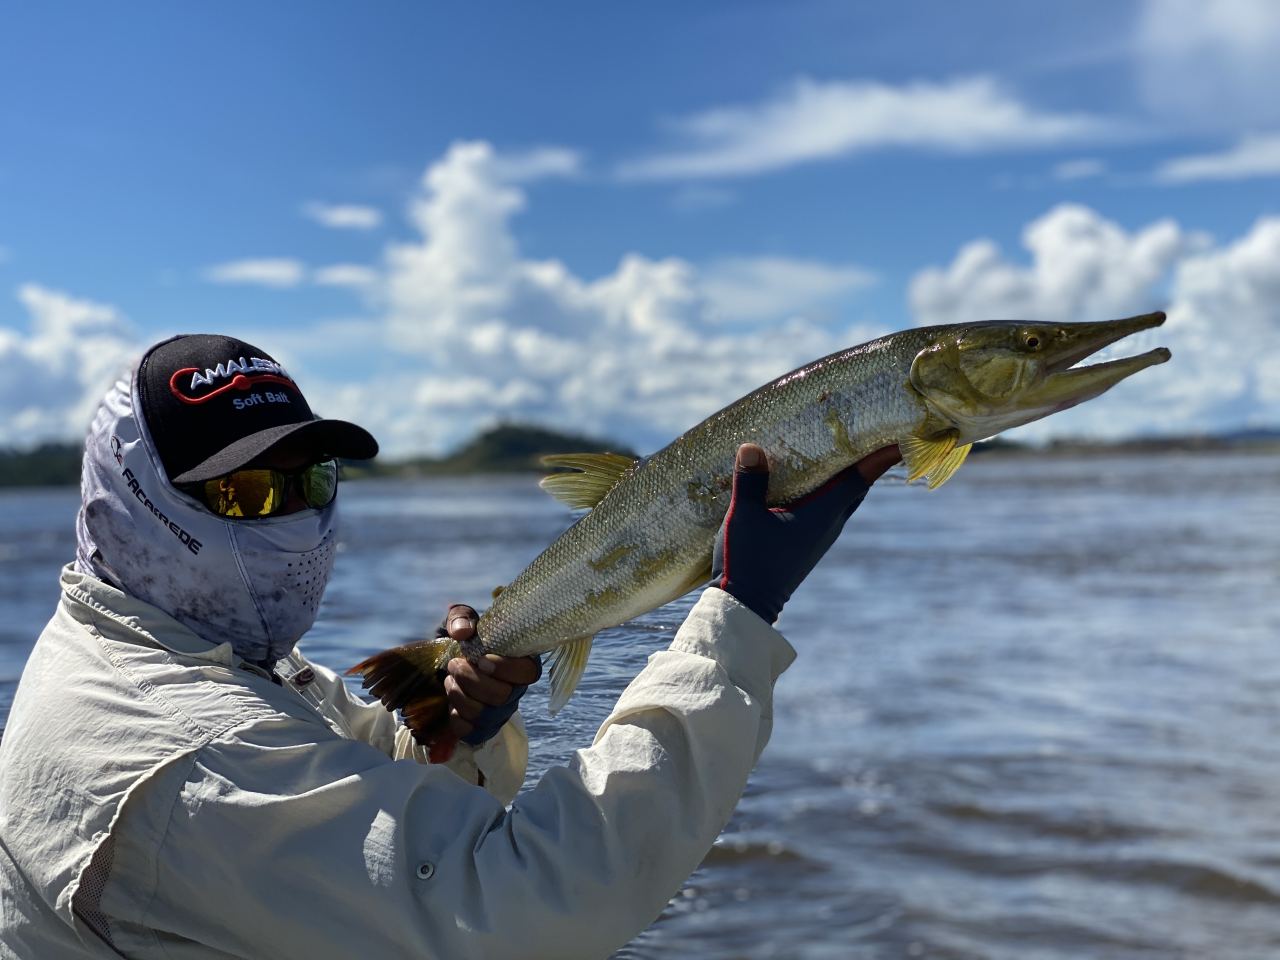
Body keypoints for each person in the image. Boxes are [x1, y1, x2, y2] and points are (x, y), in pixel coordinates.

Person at [0, 333, 900, 959]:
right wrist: (737, 614)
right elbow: (524, 913)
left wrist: (449, 734)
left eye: (312, 479)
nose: (296, 515)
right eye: (246, 493)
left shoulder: (176, 655)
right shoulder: (187, 753)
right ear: (132, 504)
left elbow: (346, 817)